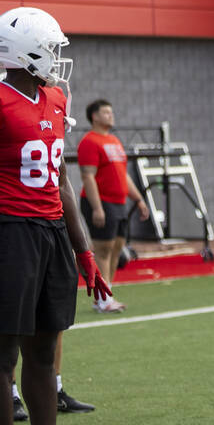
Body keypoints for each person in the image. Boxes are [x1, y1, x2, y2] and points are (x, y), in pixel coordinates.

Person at [0, 7, 109, 425]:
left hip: (50, 232)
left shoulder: (54, 95)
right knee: (3, 351)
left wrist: (83, 250)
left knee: (46, 350)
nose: (56, 58)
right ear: (25, 51)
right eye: (51, 47)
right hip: (7, 232)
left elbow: (63, 180)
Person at [76, 98, 150, 313]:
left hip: (119, 203)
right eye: (106, 112)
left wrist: (138, 199)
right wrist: (97, 207)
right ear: (94, 116)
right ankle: (101, 299)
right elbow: (87, 177)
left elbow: (123, 174)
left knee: (117, 248)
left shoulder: (114, 141)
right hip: (101, 203)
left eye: (111, 111)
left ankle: (106, 293)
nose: (111, 115)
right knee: (103, 250)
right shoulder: (90, 141)